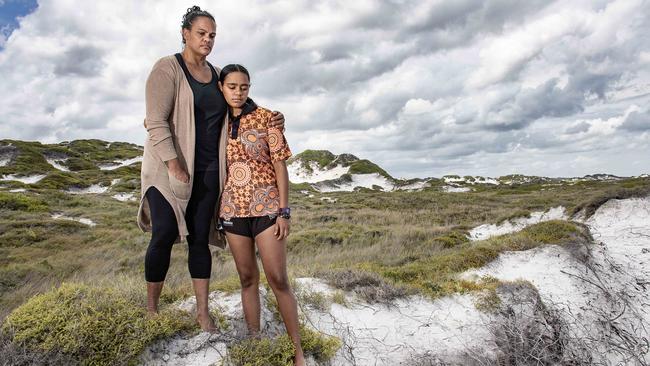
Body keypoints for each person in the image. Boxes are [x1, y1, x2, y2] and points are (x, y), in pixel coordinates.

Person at [137, 6, 285, 332]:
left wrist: (272, 117)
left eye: (212, 35)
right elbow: (156, 121)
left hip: (207, 172)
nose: (207, 39)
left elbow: (240, 104)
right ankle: (151, 310)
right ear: (185, 34)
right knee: (163, 232)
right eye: (201, 33)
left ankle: (202, 313)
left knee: (199, 239)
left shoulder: (217, 74)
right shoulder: (167, 68)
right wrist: (174, 163)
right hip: (166, 170)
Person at [217, 64, 305, 366]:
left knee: (278, 279)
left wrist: (284, 211)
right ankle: (255, 344)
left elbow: (281, 166)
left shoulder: (268, 117)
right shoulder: (216, 120)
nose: (238, 92)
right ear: (221, 88)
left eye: (244, 87)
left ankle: (298, 351)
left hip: (267, 209)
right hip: (232, 210)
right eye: (232, 86)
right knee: (246, 278)